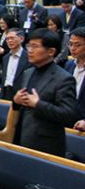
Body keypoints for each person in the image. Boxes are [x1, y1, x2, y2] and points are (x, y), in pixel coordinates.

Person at [13, 28, 78, 156]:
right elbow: (23, 106)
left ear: (51, 51)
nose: (30, 51)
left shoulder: (64, 78)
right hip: (22, 138)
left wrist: (38, 104)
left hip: (46, 146)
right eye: (29, 46)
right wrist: (16, 101)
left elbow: (68, 115)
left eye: (35, 46)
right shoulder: (28, 73)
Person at [64, 27, 85, 121]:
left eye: (77, 45)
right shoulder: (69, 65)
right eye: (70, 44)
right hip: (66, 118)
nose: (72, 48)